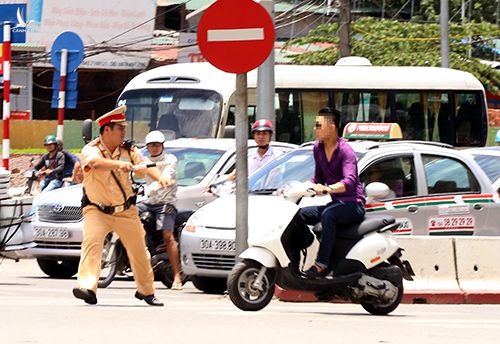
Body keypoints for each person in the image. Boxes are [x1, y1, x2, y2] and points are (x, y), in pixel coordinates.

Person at [72, 105, 172, 306]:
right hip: (96, 209)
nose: (124, 132)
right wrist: (119, 165)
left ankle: (146, 291)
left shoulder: (129, 149)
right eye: (120, 128)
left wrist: (160, 177)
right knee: (92, 245)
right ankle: (87, 287)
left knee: (139, 251)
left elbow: (144, 165)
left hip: (125, 210)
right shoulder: (90, 150)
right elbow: (97, 164)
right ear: (107, 130)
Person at [297, 107, 366, 278]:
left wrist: (328, 189)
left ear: (332, 127)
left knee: (328, 215)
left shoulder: (345, 151)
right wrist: (298, 187)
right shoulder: (317, 148)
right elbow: (318, 178)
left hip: (353, 204)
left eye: (319, 125)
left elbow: (349, 182)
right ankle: (299, 251)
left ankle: (322, 264)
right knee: (297, 215)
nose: (315, 129)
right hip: (335, 204)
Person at [137, 130, 183, 290]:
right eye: (150, 145)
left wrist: (151, 188)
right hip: (148, 201)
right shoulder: (144, 160)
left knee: (167, 235)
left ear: (162, 145)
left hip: (166, 202)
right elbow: (135, 171)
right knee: (128, 215)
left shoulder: (170, 159)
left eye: (157, 145)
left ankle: (177, 276)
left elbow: (166, 177)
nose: (154, 148)